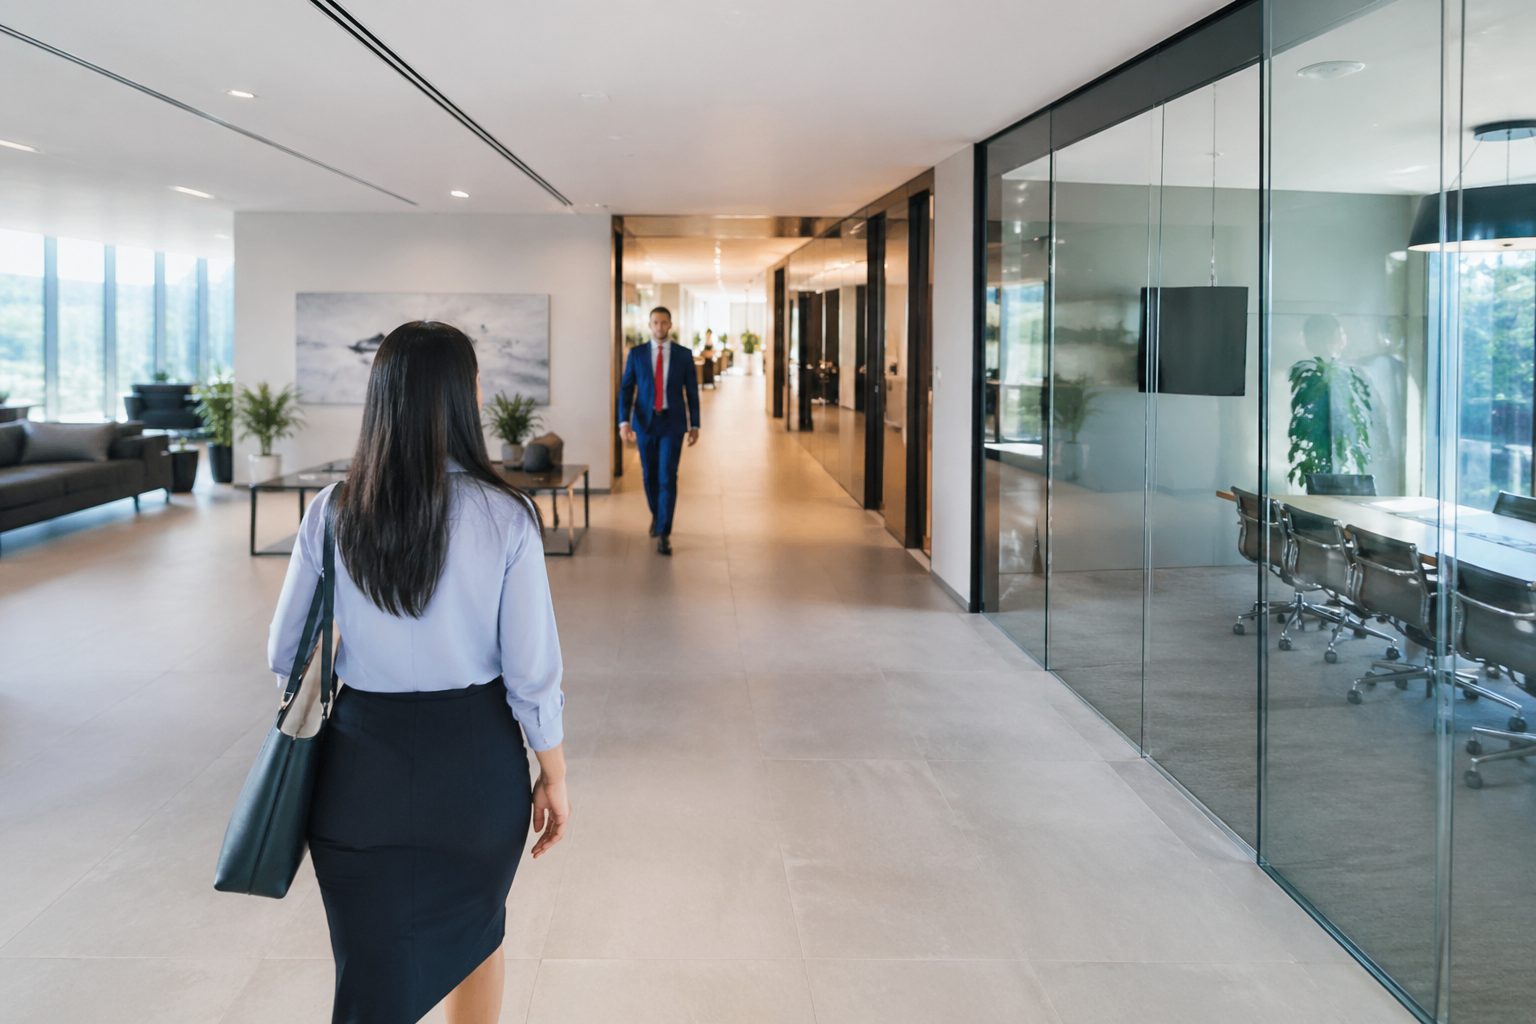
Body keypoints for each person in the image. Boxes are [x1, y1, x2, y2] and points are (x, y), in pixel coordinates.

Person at [267, 321, 570, 1024]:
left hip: (357, 768)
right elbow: (532, 676)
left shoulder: (333, 511)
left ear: (383, 399)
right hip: (475, 770)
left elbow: (287, 655)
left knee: (369, 968)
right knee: (478, 935)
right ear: (466, 398)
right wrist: (553, 773)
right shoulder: (507, 518)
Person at [617, 306, 700, 555]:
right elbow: (626, 389)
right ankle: (657, 514)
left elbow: (692, 392)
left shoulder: (684, 355)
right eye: (655, 322)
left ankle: (664, 532)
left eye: (664, 323)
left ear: (670, 325)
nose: (660, 327)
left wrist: (695, 424)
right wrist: (624, 422)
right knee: (648, 476)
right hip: (645, 423)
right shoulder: (637, 354)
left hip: (672, 424)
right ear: (650, 325)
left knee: (667, 476)